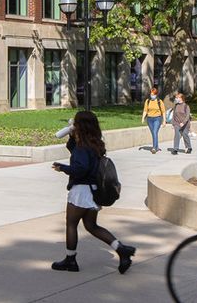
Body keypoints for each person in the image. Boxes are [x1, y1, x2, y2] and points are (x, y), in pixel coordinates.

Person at [49, 110, 135, 275]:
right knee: (91, 225)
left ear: (80, 125)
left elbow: (80, 169)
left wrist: (62, 168)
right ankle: (121, 249)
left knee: (71, 224)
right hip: (93, 191)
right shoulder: (94, 144)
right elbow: (72, 149)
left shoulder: (83, 148)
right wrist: (72, 136)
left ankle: (70, 260)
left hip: (81, 191)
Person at [142, 84, 167, 153]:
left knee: (155, 132)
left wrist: (164, 121)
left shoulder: (159, 101)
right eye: (151, 94)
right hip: (149, 119)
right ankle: (157, 146)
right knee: (153, 133)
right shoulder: (147, 101)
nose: (152, 95)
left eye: (153, 94)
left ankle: (154, 148)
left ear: (156, 94)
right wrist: (143, 118)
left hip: (157, 119)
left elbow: (163, 112)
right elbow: (145, 110)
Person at [169, 90, 193, 154]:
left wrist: (183, 122)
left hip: (185, 124)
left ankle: (189, 147)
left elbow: (187, 116)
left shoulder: (186, 106)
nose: (176, 99)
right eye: (176, 98)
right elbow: (174, 115)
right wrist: (172, 123)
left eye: (177, 98)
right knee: (177, 135)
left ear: (181, 98)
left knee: (185, 135)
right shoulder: (176, 106)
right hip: (177, 123)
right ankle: (175, 149)